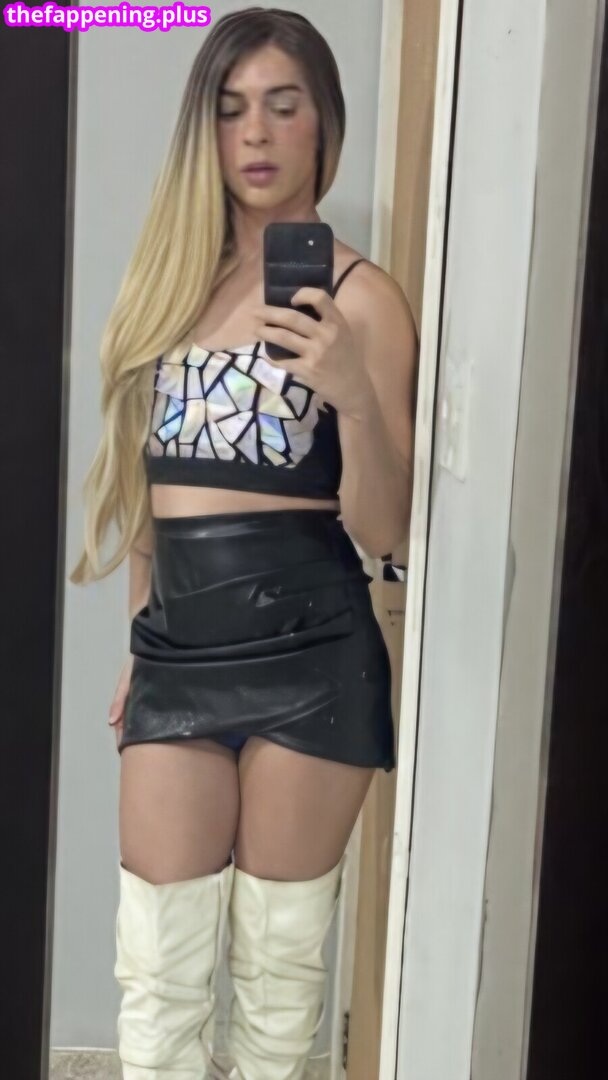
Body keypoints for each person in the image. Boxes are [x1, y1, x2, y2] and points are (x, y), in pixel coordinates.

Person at [70, 7, 417, 1079]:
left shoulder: (363, 300)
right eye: (229, 110)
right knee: (158, 986)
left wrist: (352, 395)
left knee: (276, 996)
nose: (255, 133)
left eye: (282, 105)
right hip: (179, 649)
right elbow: (146, 490)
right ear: (204, 131)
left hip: (314, 651)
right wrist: (140, 637)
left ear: (324, 123)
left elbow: (386, 530)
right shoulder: (171, 283)